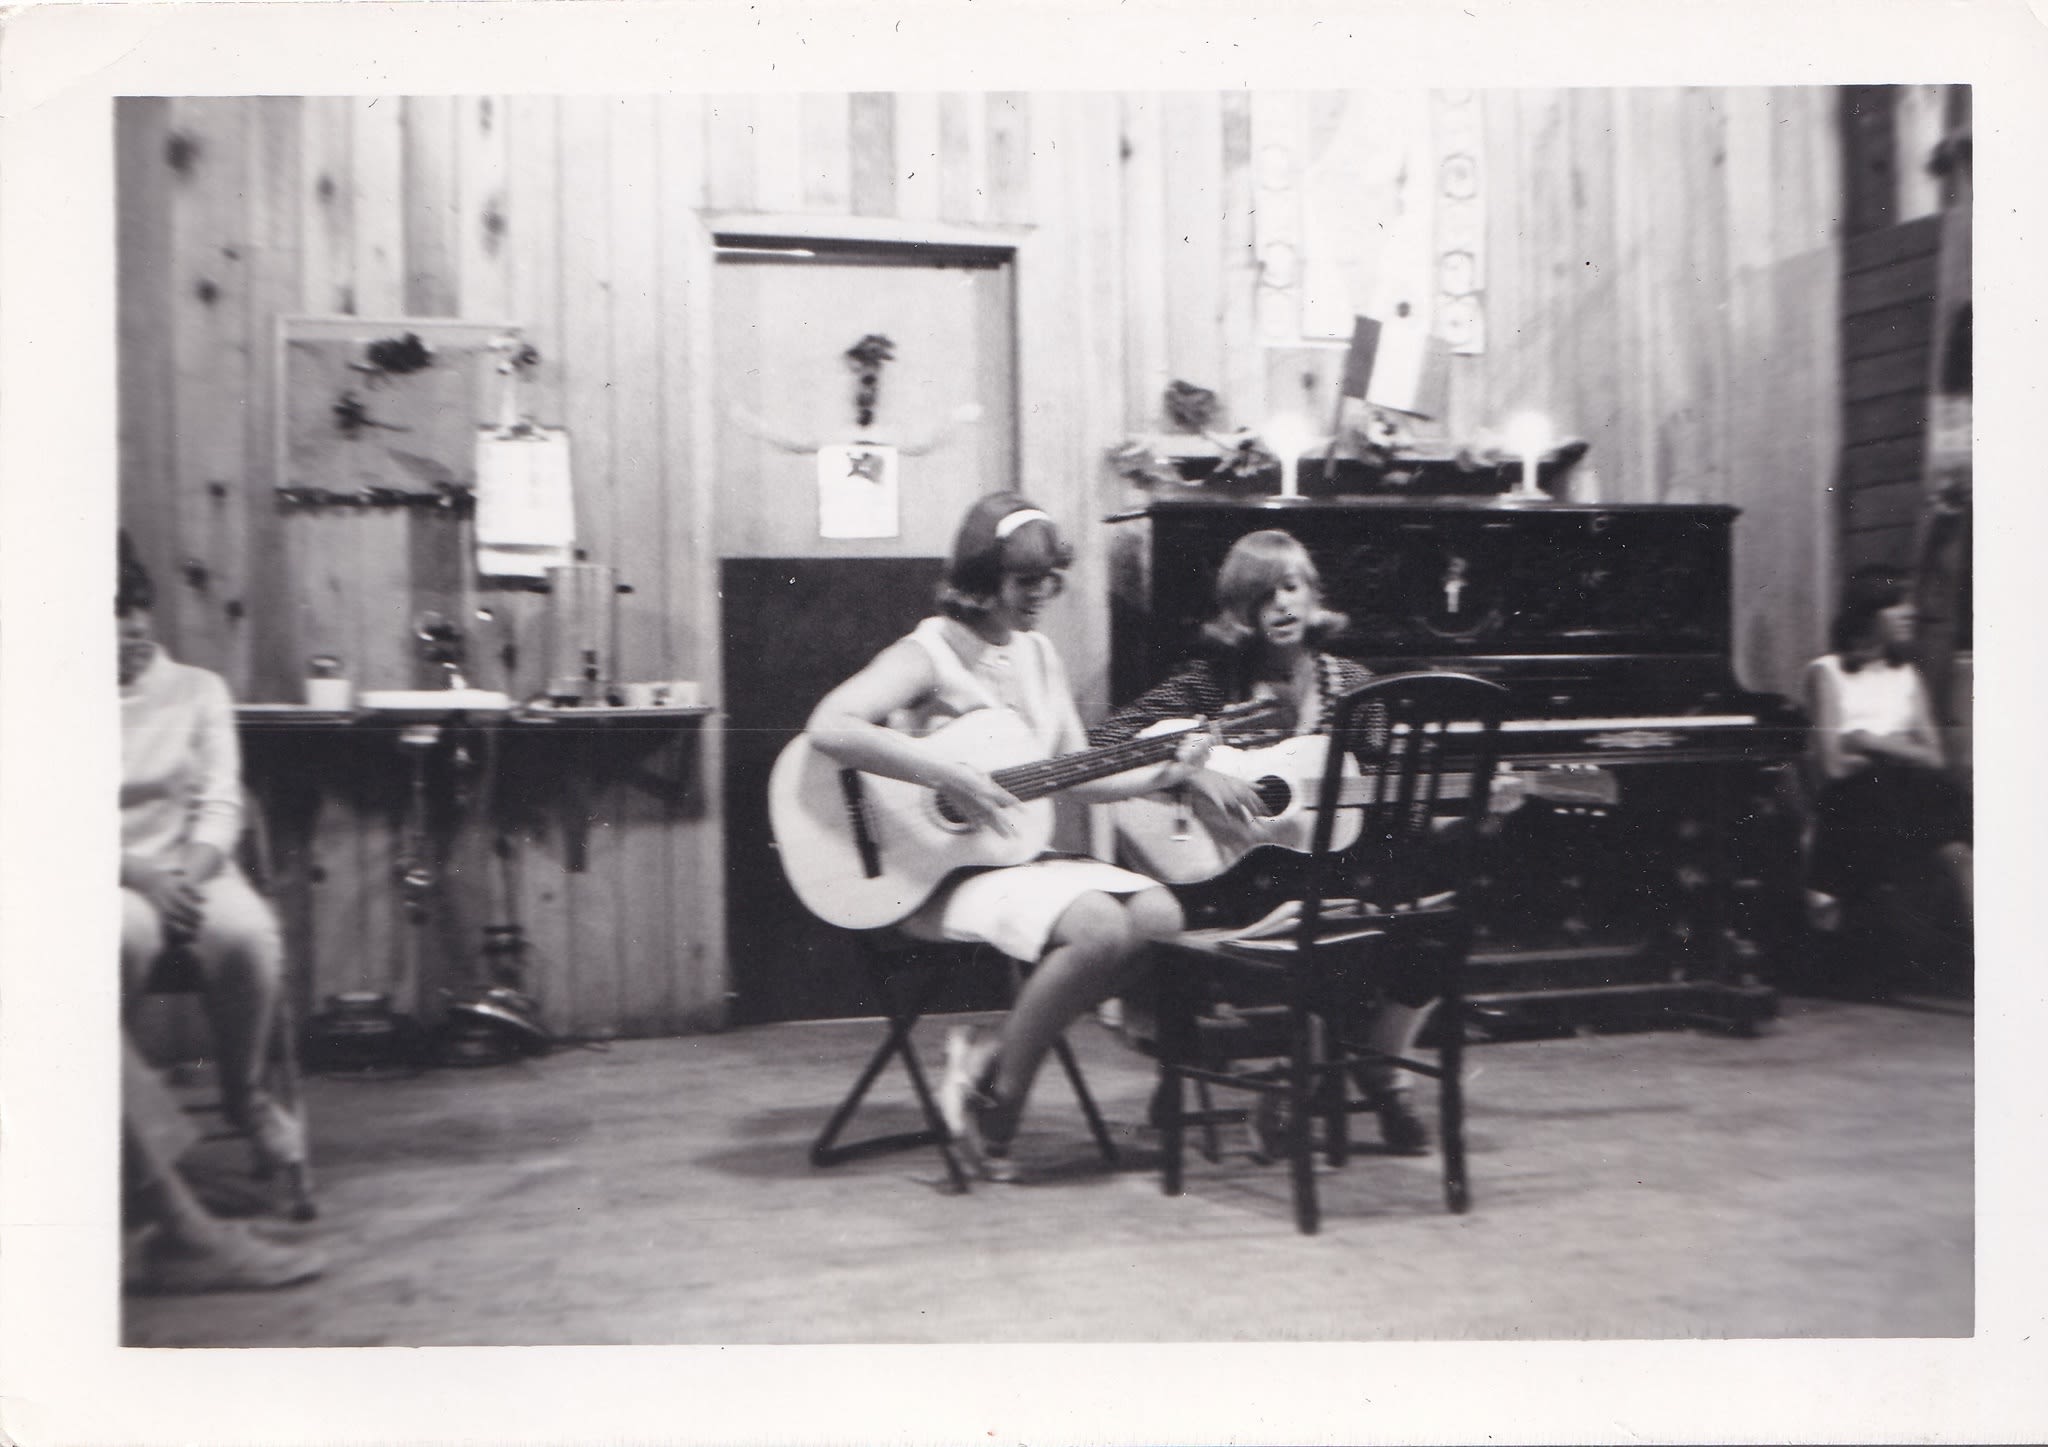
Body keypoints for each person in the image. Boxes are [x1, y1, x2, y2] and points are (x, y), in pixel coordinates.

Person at [803, 493, 1204, 1182]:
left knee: (1161, 916)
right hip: (928, 875)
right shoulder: (928, 653)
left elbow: (1080, 774)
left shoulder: (1040, 655)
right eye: (1024, 582)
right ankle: (1001, 1106)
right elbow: (829, 726)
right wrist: (946, 773)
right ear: (981, 582)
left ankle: (989, 1055)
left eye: (1049, 580)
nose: (1041, 595)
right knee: (1100, 928)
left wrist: (1168, 772)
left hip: (1011, 861)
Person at [1091, 528, 1518, 1155]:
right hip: (1234, 881)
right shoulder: (1210, 685)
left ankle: (1376, 1065)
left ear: (1313, 595)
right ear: (1239, 613)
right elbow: (1103, 745)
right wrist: (1189, 773)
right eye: (1261, 597)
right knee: (1331, 898)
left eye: (1290, 588)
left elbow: (1393, 811)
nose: (1280, 606)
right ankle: (1338, 1078)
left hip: (1336, 878)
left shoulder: (1356, 688)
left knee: (1444, 907)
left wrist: (1476, 810)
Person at [117, 538, 312, 1222]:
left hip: (196, 869)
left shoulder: (198, 690)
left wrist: (188, 876)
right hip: (112, 877)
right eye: (108, 615)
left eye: (136, 608)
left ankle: (244, 1097)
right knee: (117, 940)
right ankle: (125, 1139)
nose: (129, 627)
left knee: (250, 935)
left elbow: (222, 802)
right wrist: (142, 876)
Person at [1803, 571, 1972, 937]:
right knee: (1906, 809)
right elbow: (1833, 766)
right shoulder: (1826, 673)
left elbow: (1935, 758)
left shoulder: (1907, 675)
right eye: (1897, 604)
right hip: (1856, 798)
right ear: (1869, 613)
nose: (1910, 612)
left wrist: (1869, 741)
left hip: (1914, 791)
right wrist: (1903, 747)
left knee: (1960, 845)